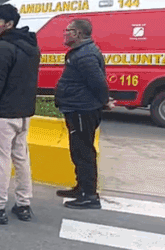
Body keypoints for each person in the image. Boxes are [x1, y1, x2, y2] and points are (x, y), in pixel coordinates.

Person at [0, 4, 41, 225]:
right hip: (23, 113)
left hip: (2, 114)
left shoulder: (4, 46)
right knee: (21, 159)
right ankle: (23, 204)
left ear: (9, 24)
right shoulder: (31, 46)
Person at [55, 19, 114, 210]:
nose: (65, 34)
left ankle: (89, 195)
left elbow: (98, 83)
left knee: (83, 152)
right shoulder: (82, 52)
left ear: (78, 34)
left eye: (68, 30)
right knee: (78, 150)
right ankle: (81, 187)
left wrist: (104, 101)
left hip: (82, 109)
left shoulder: (85, 55)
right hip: (78, 108)